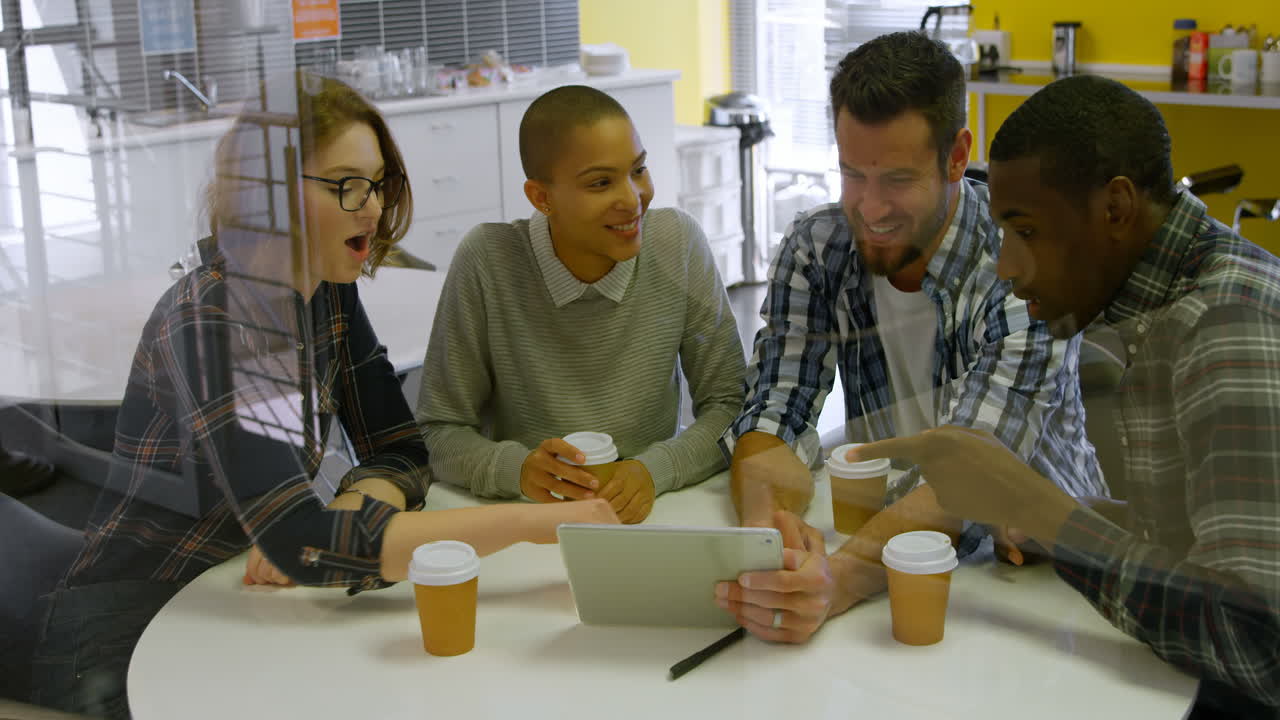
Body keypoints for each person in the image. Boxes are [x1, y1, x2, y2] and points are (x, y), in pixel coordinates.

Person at [27, 73, 617, 718]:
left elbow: (399, 447)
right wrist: (537, 524)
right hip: (134, 622)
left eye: (377, 182)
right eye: (345, 185)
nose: (371, 207)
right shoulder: (214, 323)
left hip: (247, 595)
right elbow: (303, 542)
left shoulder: (324, 290)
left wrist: (357, 501)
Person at [855, 74, 1280, 718]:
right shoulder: (1162, 305)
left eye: (1025, 232)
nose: (1006, 266)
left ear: (1114, 208)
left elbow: (1258, 643)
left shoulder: (1223, 328)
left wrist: (1043, 509)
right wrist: (1065, 517)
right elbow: (1196, 542)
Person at [714, 32, 1106, 643]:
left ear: (956, 157)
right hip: (888, 544)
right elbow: (774, 411)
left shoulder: (1028, 265)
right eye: (852, 174)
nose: (870, 209)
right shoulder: (819, 249)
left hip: (1037, 580)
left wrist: (836, 579)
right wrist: (772, 537)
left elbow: (971, 475)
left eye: (897, 178)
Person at [416, 85, 745, 524]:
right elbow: (438, 432)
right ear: (541, 197)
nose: (633, 199)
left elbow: (732, 405)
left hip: (656, 510)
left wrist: (656, 469)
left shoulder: (677, 242)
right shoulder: (488, 259)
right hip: (530, 519)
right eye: (600, 183)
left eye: (639, 170)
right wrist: (517, 470)